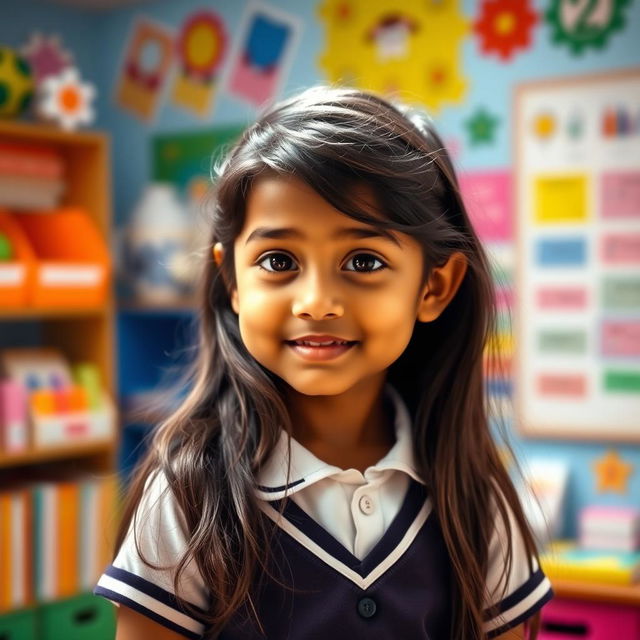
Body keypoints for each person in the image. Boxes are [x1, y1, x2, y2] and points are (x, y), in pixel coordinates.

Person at [95, 86, 553, 639]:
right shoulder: (191, 492)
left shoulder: (474, 496)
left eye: (363, 260)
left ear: (434, 286)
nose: (315, 300)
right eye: (278, 260)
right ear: (232, 279)